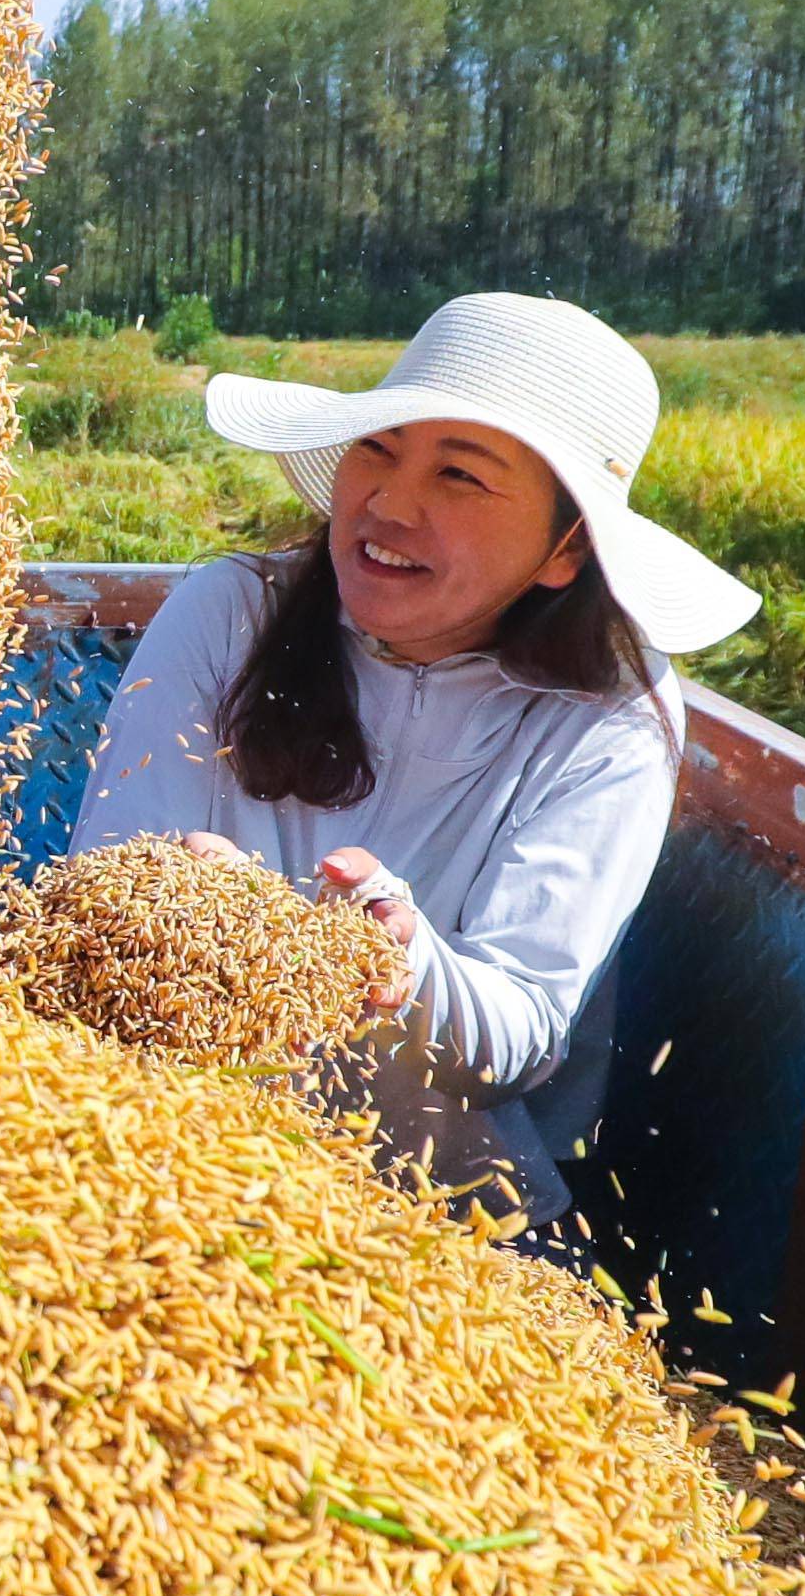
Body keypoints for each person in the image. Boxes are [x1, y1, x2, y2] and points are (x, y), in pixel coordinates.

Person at [62, 293, 761, 1229]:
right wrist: (196, 907)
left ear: (564, 550)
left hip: (434, 1204)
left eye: (462, 477)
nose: (389, 505)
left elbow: (519, 1033)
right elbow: (108, 888)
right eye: (379, 448)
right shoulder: (231, 616)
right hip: (155, 1143)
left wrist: (397, 956)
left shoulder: (609, 722)